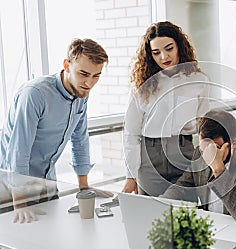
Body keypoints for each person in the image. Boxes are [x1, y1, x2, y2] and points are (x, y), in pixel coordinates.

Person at [0, 38, 113, 223]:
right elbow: (19, 151)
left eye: (96, 76)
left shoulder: (81, 93)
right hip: (10, 192)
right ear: (67, 65)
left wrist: (84, 187)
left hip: (46, 184)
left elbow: (80, 140)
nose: (89, 83)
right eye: (83, 73)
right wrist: (20, 204)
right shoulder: (35, 94)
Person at [122, 21, 209, 196]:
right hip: (150, 159)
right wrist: (130, 175)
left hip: (185, 153)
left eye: (169, 48)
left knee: (186, 216)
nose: (164, 56)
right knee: (150, 216)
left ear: (179, 46)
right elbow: (131, 133)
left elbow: (204, 125)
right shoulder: (141, 85)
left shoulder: (198, 80)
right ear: (150, 55)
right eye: (156, 52)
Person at [160, 110, 236, 223]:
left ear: (233, 143)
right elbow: (181, 188)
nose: (208, 155)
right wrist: (158, 204)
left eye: (215, 148)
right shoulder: (200, 153)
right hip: (212, 226)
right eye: (204, 148)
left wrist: (219, 170)